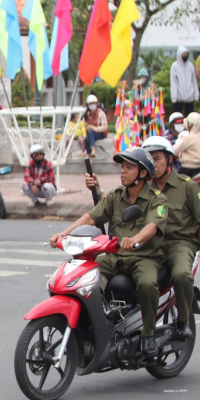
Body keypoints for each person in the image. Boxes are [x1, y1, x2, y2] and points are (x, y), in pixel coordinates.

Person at [51, 147, 166, 356]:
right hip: (115, 256)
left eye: (129, 167)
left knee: (148, 284)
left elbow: (152, 227)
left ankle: (148, 332)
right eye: (122, 167)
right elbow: (91, 217)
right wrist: (64, 233)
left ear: (142, 174)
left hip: (144, 257)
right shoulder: (115, 196)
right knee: (84, 277)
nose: (123, 171)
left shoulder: (157, 199)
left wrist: (135, 239)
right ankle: (97, 323)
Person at [142, 137, 200, 338]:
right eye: (149, 159)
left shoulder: (187, 186)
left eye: (157, 159)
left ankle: (183, 321)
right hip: (152, 245)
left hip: (179, 244)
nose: (153, 164)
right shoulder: (145, 188)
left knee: (181, 274)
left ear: (169, 160)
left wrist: (193, 245)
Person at [174, 112, 200, 177]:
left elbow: (175, 150)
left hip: (187, 169)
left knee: (175, 183)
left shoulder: (188, 137)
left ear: (190, 124)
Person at [170, 46, 198, 115]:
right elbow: (173, 82)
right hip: (179, 97)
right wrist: (174, 97)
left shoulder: (190, 65)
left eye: (187, 54)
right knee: (178, 115)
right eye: (184, 54)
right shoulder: (174, 66)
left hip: (190, 96)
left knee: (190, 115)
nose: (186, 56)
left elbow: (194, 80)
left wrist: (196, 94)